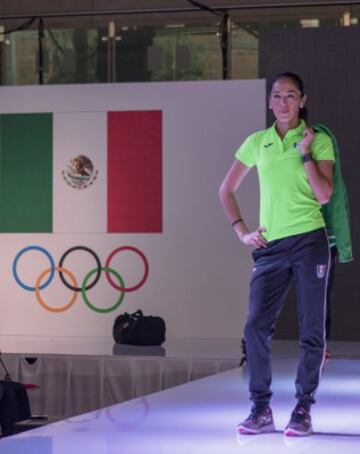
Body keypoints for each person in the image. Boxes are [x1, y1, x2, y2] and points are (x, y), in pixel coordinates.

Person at [219, 72, 334, 437]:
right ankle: (260, 408)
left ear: (302, 100)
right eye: (277, 96)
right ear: (270, 102)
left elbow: (324, 195)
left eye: (291, 95)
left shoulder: (318, 140)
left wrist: (304, 155)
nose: (283, 102)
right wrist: (241, 230)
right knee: (255, 327)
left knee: (311, 330)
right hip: (270, 247)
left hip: (309, 241)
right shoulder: (258, 142)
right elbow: (226, 189)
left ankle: (303, 408)